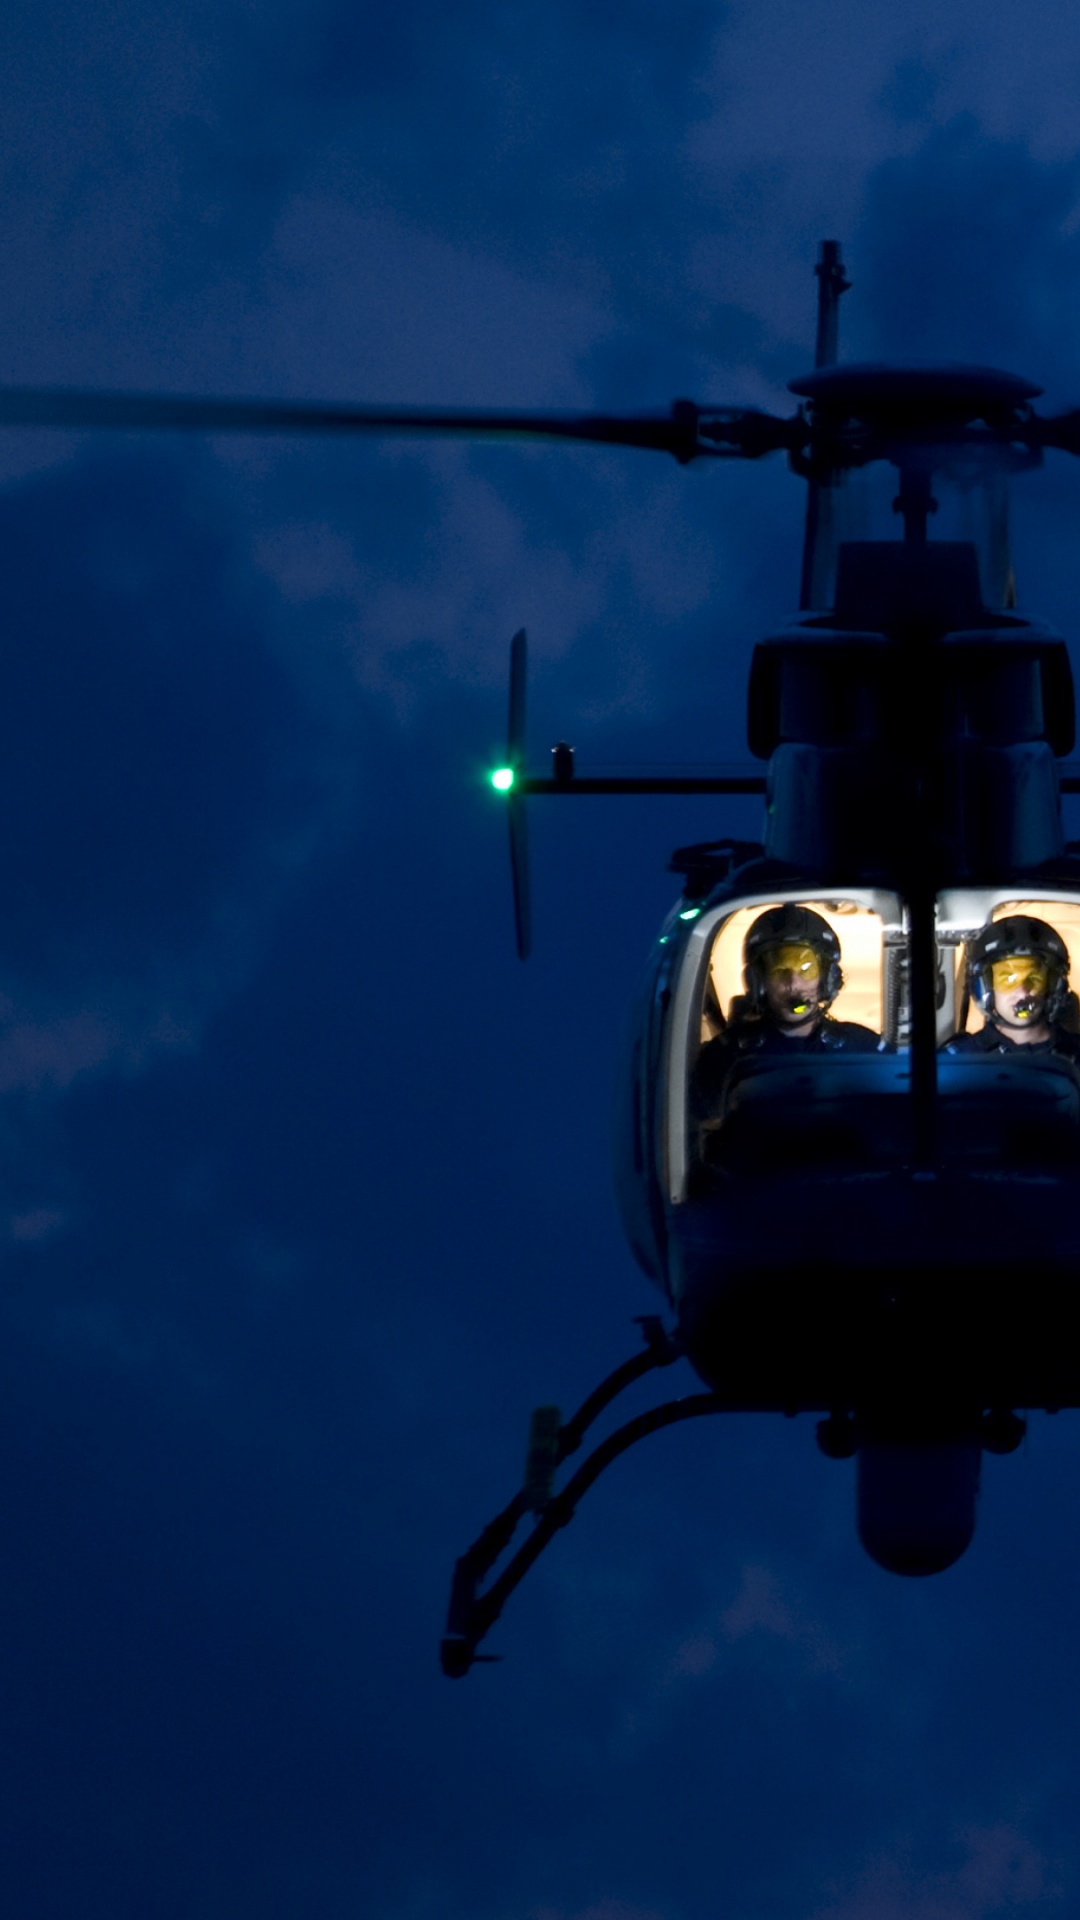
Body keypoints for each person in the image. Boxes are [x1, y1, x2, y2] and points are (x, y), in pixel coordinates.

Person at [692, 904, 884, 1127]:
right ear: (758, 982)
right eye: (779, 970)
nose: (793, 984)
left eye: (806, 969)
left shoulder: (862, 1049)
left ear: (827, 979)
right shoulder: (723, 1057)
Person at [943, 915, 1080, 1060]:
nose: (1022, 992)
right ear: (985, 987)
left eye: (1034, 979)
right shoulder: (957, 1061)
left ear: (1052, 985)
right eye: (1008, 979)